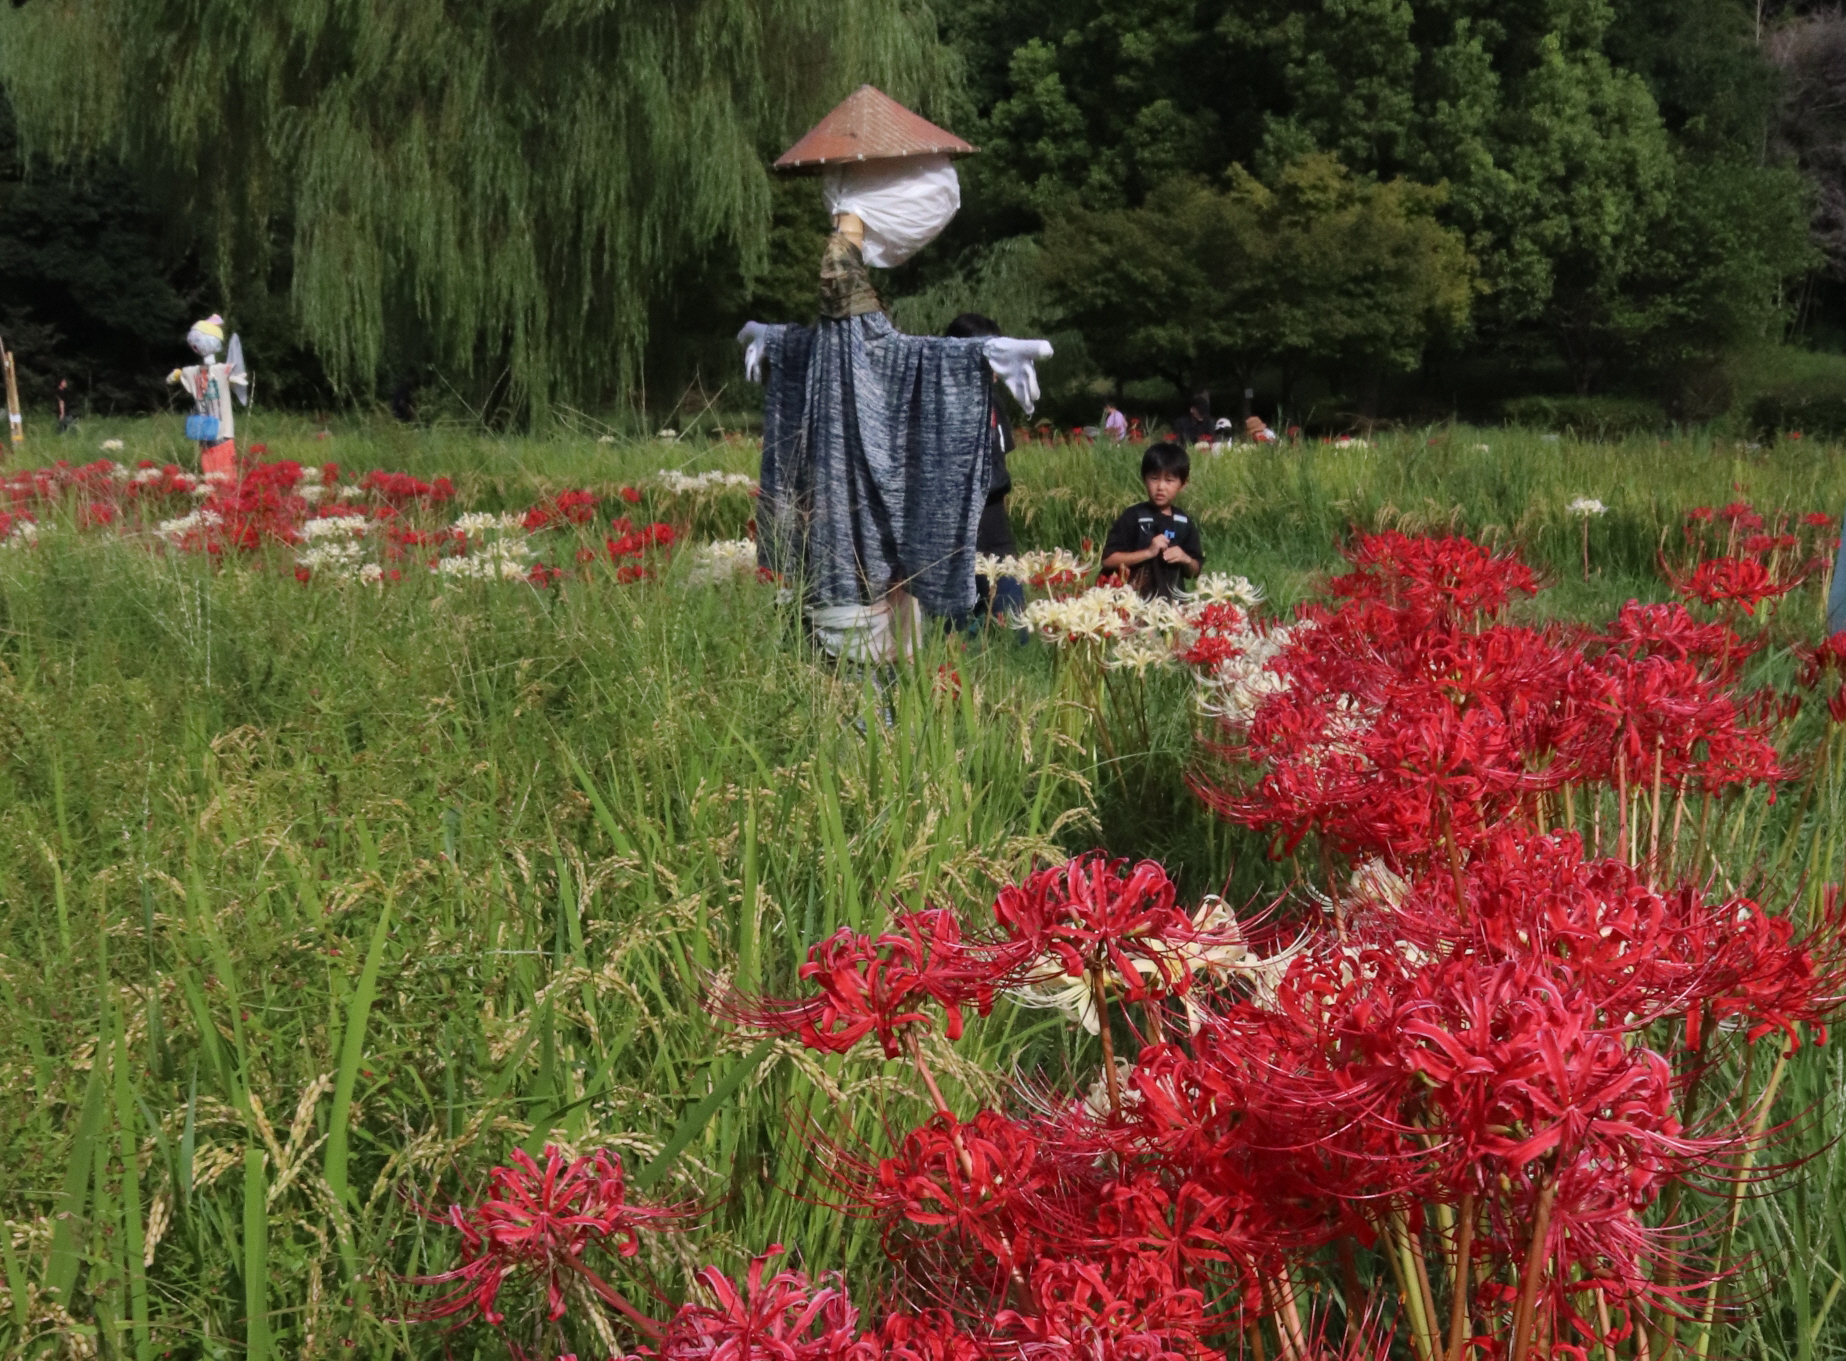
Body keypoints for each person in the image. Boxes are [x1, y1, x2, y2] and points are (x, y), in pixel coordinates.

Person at [947, 312, 1026, 628]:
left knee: (1012, 620)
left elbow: (1001, 466)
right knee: (960, 628)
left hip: (995, 530)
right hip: (954, 536)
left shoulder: (995, 404)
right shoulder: (939, 406)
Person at [1100, 441, 1204, 600]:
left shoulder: (1183, 523)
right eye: (1154, 478)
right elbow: (1108, 560)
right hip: (1132, 603)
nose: (1161, 487)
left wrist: (1185, 558)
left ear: (1183, 484)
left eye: (1169, 480)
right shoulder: (1133, 516)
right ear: (1144, 479)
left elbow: (1195, 570)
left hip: (1171, 607)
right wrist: (1148, 552)